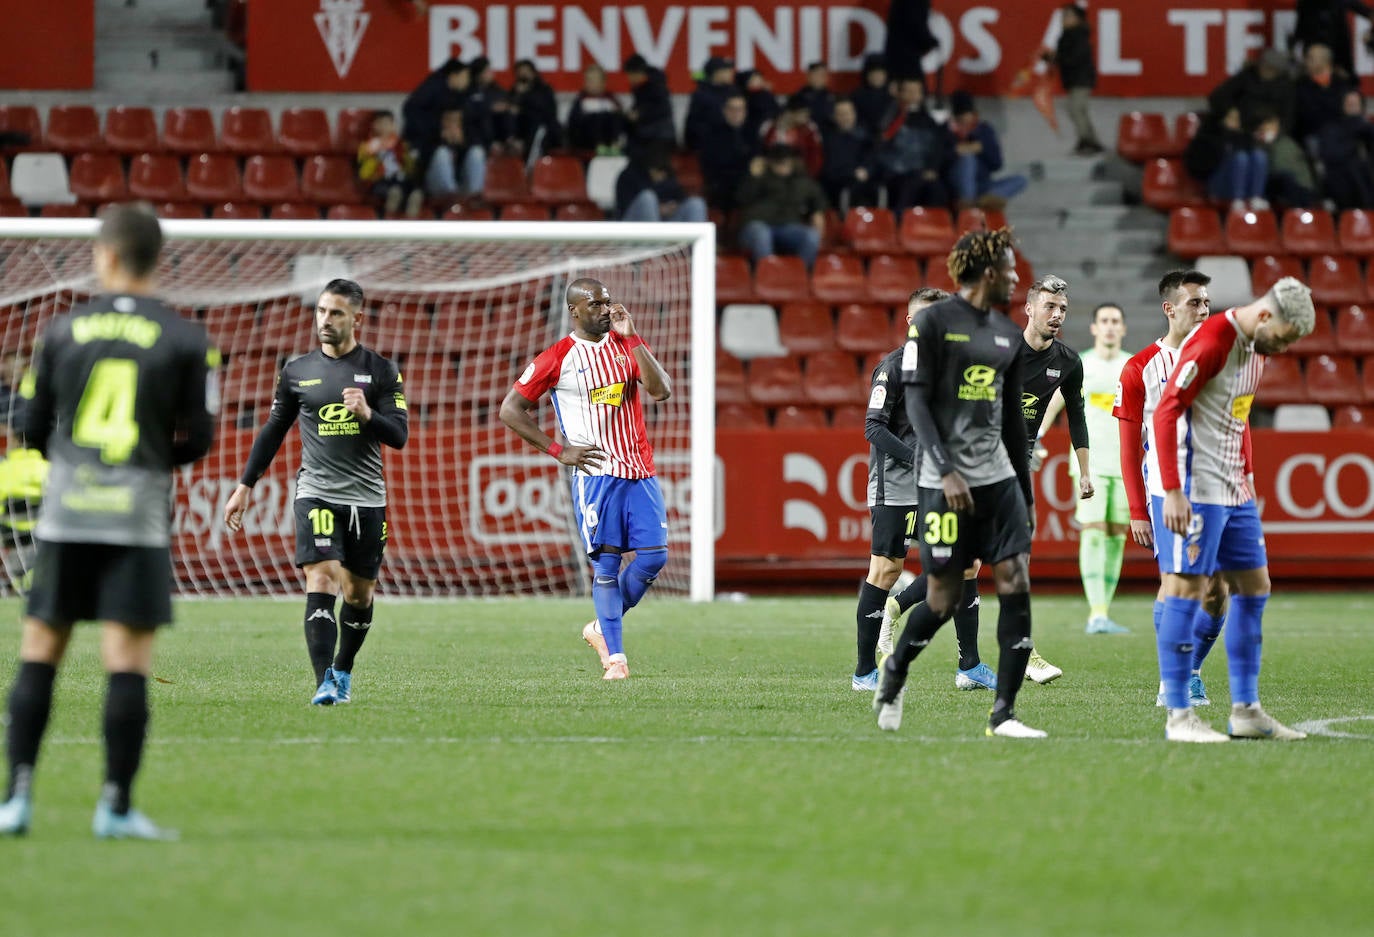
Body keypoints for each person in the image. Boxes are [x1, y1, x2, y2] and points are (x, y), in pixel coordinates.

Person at [0, 204, 217, 840]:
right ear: (157, 259)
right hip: (136, 516)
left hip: (68, 513)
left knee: (41, 648)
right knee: (127, 658)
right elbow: (199, 438)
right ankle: (116, 807)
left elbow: (28, 428)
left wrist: (73, 461)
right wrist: (149, 460)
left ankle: (15, 801)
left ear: (108, 256)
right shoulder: (186, 338)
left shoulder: (63, 330)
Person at [873, 228, 1044, 739]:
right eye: (1011, 270)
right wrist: (944, 468)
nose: (1017, 278)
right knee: (944, 598)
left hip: (997, 481)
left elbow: (1013, 421)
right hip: (940, 482)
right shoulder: (930, 324)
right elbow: (919, 403)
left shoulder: (1009, 335)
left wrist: (1026, 494)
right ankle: (897, 671)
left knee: (1015, 581)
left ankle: (1004, 714)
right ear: (989, 272)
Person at [222, 279, 409, 706]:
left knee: (359, 594)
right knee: (320, 576)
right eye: (321, 311)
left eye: (336, 313)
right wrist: (245, 485)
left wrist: (366, 414)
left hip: (366, 500)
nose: (325, 320)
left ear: (356, 318)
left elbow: (398, 436)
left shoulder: (381, 371)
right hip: (316, 492)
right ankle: (323, 680)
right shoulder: (296, 371)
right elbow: (273, 431)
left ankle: (343, 668)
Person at [1151, 276, 1315, 742]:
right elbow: (1166, 411)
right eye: (1282, 338)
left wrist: (1247, 472)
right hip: (1197, 485)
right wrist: (1173, 490)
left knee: (1254, 584)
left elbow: (1236, 415)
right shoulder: (1214, 341)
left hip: (1235, 487)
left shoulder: (1256, 345)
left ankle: (1245, 710)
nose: (1281, 349)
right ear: (1264, 317)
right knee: (1186, 588)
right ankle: (1179, 717)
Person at [499, 279, 672, 681]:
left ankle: (599, 627)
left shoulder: (625, 345)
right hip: (596, 477)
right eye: (596, 304)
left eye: (608, 302)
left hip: (639, 470)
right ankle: (616, 658)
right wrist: (559, 451)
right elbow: (511, 408)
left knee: (654, 557)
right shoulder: (558, 357)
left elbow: (660, 391)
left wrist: (633, 337)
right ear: (574, 311)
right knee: (607, 567)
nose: (606, 309)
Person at [1114, 270, 1227, 709]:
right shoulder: (1140, 368)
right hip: (1166, 489)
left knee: (1218, 590)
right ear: (1170, 308)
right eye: (1195, 302)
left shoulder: (1221, 358)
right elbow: (1128, 449)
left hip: (1216, 488)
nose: (1204, 309)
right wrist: (1138, 510)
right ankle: (1172, 681)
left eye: (1206, 302)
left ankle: (1192, 670)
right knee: (1176, 582)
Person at [852, 287, 949, 692]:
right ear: (910, 321)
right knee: (886, 569)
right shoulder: (891, 368)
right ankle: (864, 672)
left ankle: (896, 609)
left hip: (935, 482)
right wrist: (916, 458)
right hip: (895, 484)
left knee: (951, 565)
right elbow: (873, 426)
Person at [736, 144, 828, 269]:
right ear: (770, 162)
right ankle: (768, 277)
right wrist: (754, 176)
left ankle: (797, 277)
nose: (782, 165)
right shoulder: (759, 177)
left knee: (811, 236)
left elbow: (818, 210)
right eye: (778, 161)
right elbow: (741, 198)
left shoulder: (803, 182)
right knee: (762, 234)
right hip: (757, 225)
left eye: (786, 161)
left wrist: (818, 228)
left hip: (788, 227)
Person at [877, 78, 953, 214]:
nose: (913, 95)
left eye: (917, 91)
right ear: (900, 93)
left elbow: (938, 148)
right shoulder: (890, 116)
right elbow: (881, 145)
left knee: (937, 189)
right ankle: (899, 221)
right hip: (894, 172)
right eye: (909, 91)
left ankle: (934, 229)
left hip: (921, 172)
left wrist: (932, 168)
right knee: (910, 186)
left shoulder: (930, 121)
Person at [946, 91, 1027, 210]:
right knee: (968, 158)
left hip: (983, 185)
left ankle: (981, 201)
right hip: (957, 185)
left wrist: (982, 148)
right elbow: (940, 161)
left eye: (967, 114)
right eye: (960, 116)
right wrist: (957, 152)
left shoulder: (984, 130)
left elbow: (997, 164)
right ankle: (968, 202)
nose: (964, 119)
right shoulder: (947, 131)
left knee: (1021, 180)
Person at [1045, 3, 1104, 155]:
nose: (1065, 19)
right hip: (1073, 79)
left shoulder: (1079, 36)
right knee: (1078, 110)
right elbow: (1063, 58)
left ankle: (1086, 141)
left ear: (1079, 19)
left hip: (1081, 79)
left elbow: (1073, 58)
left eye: (1069, 16)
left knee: (1076, 109)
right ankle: (1092, 141)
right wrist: (1051, 58)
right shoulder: (1066, 36)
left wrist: (1056, 58)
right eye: (1063, 16)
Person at [615, 144, 708, 223]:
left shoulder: (668, 175)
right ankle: (653, 243)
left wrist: (671, 207)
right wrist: (657, 208)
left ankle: (697, 244)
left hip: (665, 223)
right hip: (634, 224)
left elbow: (679, 197)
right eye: (657, 172)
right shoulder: (629, 176)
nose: (661, 176)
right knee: (648, 198)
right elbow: (624, 208)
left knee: (696, 203)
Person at [698, 92, 759, 211]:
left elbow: (758, 160)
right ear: (725, 111)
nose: (736, 113)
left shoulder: (752, 134)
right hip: (724, 185)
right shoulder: (712, 135)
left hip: (751, 183)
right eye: (732, 109)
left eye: (740, 109)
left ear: (745, 111)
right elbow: (713, 166)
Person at [401, 58, 470, 164]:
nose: (467, 81)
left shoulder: (458, 94)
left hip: (441, 141)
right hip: (421, 142)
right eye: (464, 77)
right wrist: (438, 129)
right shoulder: (432, 88)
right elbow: (410, 108)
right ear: (453, 75)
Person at [356, 110, 423, 217]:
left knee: (416, 194)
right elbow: (363, 174)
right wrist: (375, 156)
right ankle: (389, 221)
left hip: (400, 180)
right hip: (380, 181)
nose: (384, 127)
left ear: (393, 126)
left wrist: (410, 158)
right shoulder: (368, 146)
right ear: (374, 125)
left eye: (387, 123)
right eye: (380, 123)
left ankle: (411, 225)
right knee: (395, 192)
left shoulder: (402, 145)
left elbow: (410, 169)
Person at [819, 96, 880, 212]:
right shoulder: (828, 139)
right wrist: (853, 173)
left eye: (848, 113)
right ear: (834, 116)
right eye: (841, 114)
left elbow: (872, 158)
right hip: (839, 182)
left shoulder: (864, 136)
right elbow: (830, 169)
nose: (846, 117)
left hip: (863, 178)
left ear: (854, 114)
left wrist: (867, 170)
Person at [1317, 89, 1374, 209]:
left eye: (1355, 104)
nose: (1352, 107)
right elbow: (1329, 155)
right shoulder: (1331, 128)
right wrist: (1353, 142)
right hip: (1342, 180)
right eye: (1349, 104)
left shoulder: (1368, 129)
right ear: (1342, 105)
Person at [423, 109, 487, 200]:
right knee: (441, 153)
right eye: (448, 120)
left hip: (461, 184)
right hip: (436, 185)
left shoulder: (468, 136)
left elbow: (477, 158)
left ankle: (474, 196)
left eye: (455, 121)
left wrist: (461, 144)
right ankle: (451, 196)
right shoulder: (432, 134)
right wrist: (442, 142)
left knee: (477, 152)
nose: (451, 124)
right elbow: (423, 162)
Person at [624, 54, 677, 157]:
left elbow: (662, 109)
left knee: (656, 169)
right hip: (650, 135)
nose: (629, 79)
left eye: (630, 75)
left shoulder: (656, 86)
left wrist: (639, 114)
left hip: (659, 137)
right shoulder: (640, 88)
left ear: (638, 73)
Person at [760, 95, 825, 178]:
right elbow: (763, 152)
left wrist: (808, 176)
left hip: (800, 178)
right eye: (804, 114)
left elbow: (816, 157)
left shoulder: (809, 129)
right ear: (790, 113)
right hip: (772, 176)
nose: (807, 118)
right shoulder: (769, 128)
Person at [566, 64, 626, 154]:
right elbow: (573, 126)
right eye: (589, 80)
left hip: (610, 143)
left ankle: (614, 146)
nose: (591, 84)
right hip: (585, 145)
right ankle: (600, 146)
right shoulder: (581, 101)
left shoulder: (611, 100)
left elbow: (621, 122)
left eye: (594, 80)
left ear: (603, 82)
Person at [510, 59, 562, 156]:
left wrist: (526, 95)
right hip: (521, 132)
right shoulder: (514, 91)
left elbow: (546, 111)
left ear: (533, 73)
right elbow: (512, 110)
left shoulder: (544, 89)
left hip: (543, 130)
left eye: (526, 72)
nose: (524, 75)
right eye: (520, 73)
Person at [684, 56, 737, 151]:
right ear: (715, 73)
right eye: (725, 70)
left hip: (732, 145)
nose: (730, 73)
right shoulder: (701, 94)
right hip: (708, 146)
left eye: (730, 70)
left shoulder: (734, 92)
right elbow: (693, 122)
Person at [852, 54, 894, 140]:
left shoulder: (893, 95)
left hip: (889, 138)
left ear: (886, 75)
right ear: (866, 75)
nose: (876, 77)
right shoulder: (856, 95)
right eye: (872, 74)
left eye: (880, 74)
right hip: (863, 139)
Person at [793, 62, 836, 132]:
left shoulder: (832, 96)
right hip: (807, 134)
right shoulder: (799, 97)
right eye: (818, 74)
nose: (822, 78)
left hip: (829, 134)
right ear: (809, 76)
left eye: (824, 75)